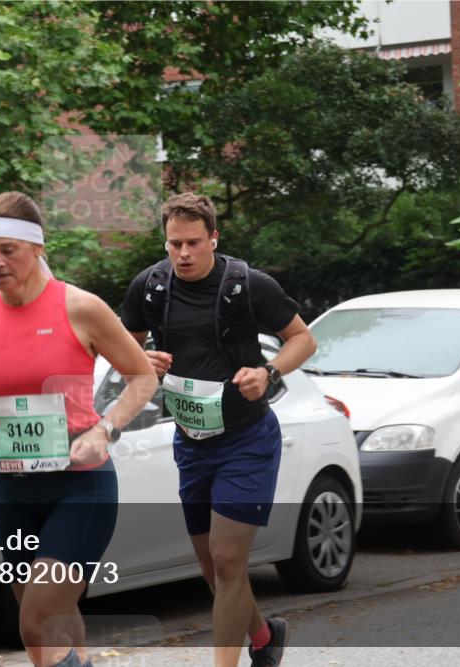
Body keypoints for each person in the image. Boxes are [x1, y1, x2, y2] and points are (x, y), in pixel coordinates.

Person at [0, 191, 158, 667]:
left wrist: (105, 430)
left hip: (81, 485)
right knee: (54, 619)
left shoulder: (81, 308)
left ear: (37, 247)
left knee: (35, 621)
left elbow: (143, 377)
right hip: (14, 489)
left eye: (8, 250)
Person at [121, 193, 317, 667]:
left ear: (213, 238)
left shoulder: (248, 285)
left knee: (228, 560)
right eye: (175, 244)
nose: (184, 253)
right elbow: (124, 346)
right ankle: (265, 637)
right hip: (191, 441)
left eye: (193, 243)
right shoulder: (150, 287)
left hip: (247, 440)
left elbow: (303, 338)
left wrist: (268, 373)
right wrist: (141, 358)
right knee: (212, 567)